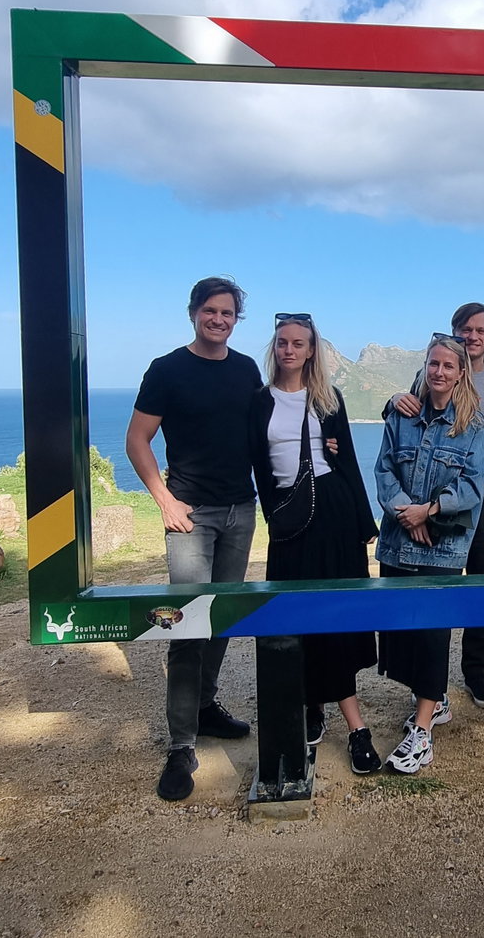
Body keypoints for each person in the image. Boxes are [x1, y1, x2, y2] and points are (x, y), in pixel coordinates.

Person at [126, 276, 262, 801]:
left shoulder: (247, 369)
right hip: (190, 515)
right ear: (193, 313)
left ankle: (204, 707)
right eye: (211, 311)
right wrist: (164, 499)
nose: (219, 320)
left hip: (239, 512)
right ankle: (181, 745)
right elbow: (138, 439)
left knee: (221, 620)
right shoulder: (166, 370)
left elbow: (262, 431)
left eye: (228, 313)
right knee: (186, 625)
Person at [250, 312, 381, 774]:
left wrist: (366, 522)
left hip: (333, 514)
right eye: (283, 342)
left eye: (298, 343)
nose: (289, 350)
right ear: (275, 348)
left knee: (335, 618)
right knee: (290, 619)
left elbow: (346, 465)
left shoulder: (328, 399)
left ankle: (356, 726)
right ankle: (309, 704)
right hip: (289, 521)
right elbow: (254, 466)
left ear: (311, 351)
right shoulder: (259, 402)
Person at [386, 303, 484, 708]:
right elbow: (407, 418)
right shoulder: (435, 370)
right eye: (465, 328)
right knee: (435, 585)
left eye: (480, 330)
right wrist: (392, 400)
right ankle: (428, 685)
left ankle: (474, 673)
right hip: (435, 500)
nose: (473, 335)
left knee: (481, 587)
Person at [376, 335, 484, 773]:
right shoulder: (401, 416)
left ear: (461, 373)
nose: (440, 372)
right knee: (402, 631)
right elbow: (384, 468)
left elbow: (471, 488)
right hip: (397, 542)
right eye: (433, 364)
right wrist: (408, 512)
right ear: (424, 367)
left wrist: (429, 511)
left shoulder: (475, 428)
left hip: (440, 550)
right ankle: (434, 699)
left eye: (448, 366)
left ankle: (422, 731)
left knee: (431, 636)